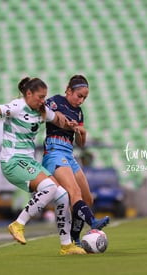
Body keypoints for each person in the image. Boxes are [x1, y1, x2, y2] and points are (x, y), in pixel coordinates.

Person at [0, 76, 86, 255]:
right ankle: (18, 224)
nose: (43, 101)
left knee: (62, 196)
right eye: (40, 97)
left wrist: (71, 124)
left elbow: (57, 119)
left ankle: (66, 245)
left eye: (45, 97)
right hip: (12, 161)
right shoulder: (17, 107)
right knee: (50, 187)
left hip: (28, 161)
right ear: (28, 93)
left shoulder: (42, 110)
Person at [42, 75, 109, 245]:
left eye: (85, 98)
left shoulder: (79, 112)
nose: (81, 100)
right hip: (54, 150)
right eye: (79, 96)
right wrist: (56, 115)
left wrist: (82, 132)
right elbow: (42, 113)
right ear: (69, 91)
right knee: (75, 192)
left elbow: (81, 144)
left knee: (88, 198)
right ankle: (93, 223)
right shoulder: (55, 101)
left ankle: (74, 238)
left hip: (69, 153)